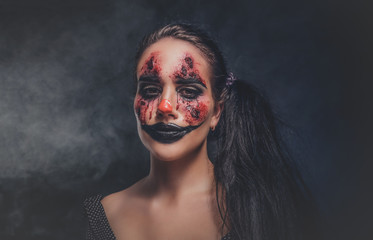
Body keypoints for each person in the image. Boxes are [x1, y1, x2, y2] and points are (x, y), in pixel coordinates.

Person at [84, 23, 318, 240]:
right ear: (135, 100)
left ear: (217, 111)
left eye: (188, 92)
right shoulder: (101, 214)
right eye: (150, 89)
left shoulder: (263, 208)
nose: (165, 107)